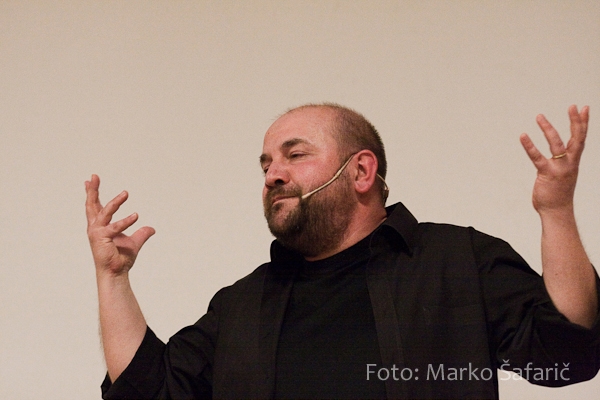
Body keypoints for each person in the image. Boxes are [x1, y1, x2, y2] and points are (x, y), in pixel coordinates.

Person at [86, 104, 600, 399]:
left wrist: (556, 212)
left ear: (361, 171)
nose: (273, 174)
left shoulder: (458, 260)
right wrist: (113, 278)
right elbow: (149, 393)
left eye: (295, 154)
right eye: (265, 164)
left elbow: (569, 356)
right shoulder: (241, 306)